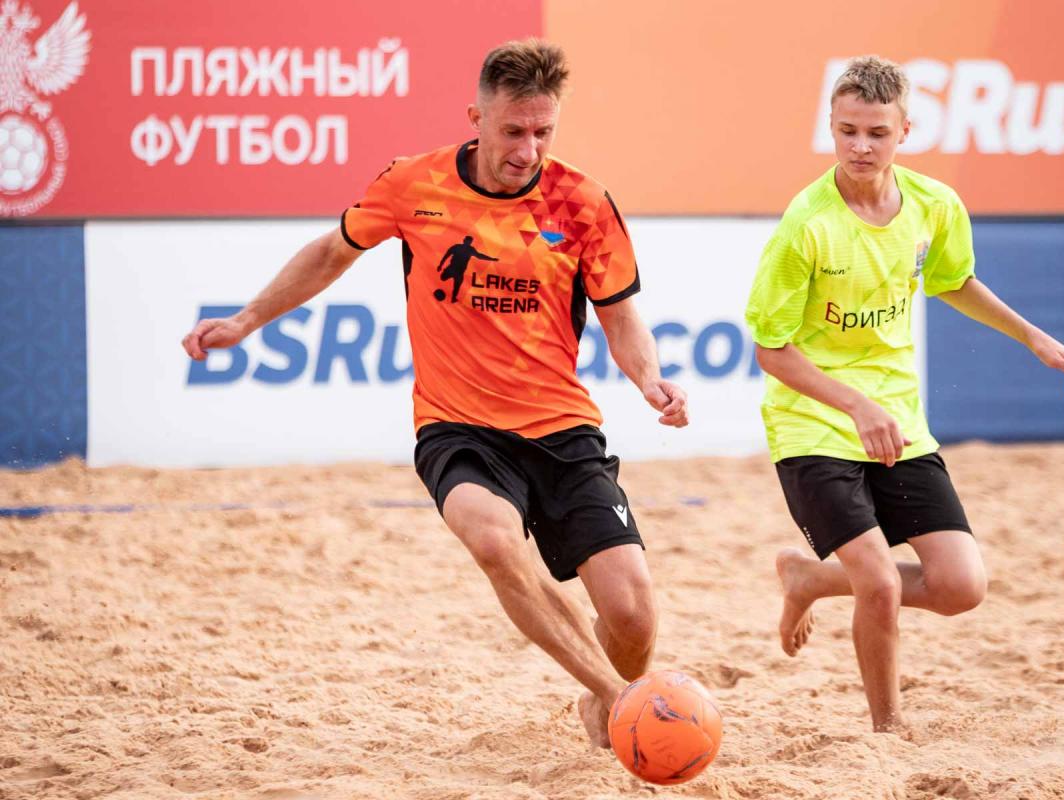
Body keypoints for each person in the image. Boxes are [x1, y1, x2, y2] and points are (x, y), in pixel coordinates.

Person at [181, 39, 688, 749]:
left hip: (562, 428)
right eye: (513, 131)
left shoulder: (583, 202)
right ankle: (618, 695)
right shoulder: (413, 184)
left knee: (633, 617)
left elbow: (621, 316)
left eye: (543, 132)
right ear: (476, 119)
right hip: (458, 428)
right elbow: (330, 253)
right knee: (494, 542)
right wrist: (246, 320)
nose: (528, 150)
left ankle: (606, 697)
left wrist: (649, 379)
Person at [744, 55, 1064, 733]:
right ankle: (889, 729)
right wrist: (856, 405)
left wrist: (1033, 337)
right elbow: (770, 351)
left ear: (905, 130)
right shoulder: (805, 226)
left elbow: (954, 281)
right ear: (830, 126)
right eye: (847, 131)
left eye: (877, 133)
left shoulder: (934, 205)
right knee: (877, 581)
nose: (860, 147)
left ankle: (809, 578)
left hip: (896, 418)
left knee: (962, 587)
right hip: (814, 423)